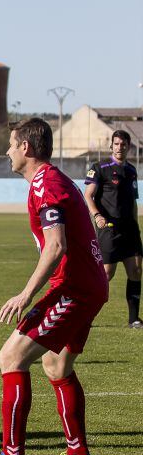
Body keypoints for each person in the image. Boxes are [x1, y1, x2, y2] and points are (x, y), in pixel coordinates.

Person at [0, 118, 107, 455]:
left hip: (75, 289)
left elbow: (57, 245)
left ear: (26, 148)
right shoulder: (53, 181)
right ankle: (77, 453)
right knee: (56, 366)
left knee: (11, 357)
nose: (8, 152)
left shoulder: (47, 185)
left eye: (12, 145)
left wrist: (26, 295)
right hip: (87, 286)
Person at [83, 130, 141, 328]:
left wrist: (136, 224)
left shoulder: (132, 171)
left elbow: (133, 201)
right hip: (109, 229)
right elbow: (88, 195)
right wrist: (97, 216)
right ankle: (86, 314)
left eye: (123, 144)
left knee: (136, 270)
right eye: (116, 144)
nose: (119, 147)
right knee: (106, 274)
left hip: (130, 230)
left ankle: (134, 319)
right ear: (111, 146)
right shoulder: (99, 168)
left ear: (128, 147)